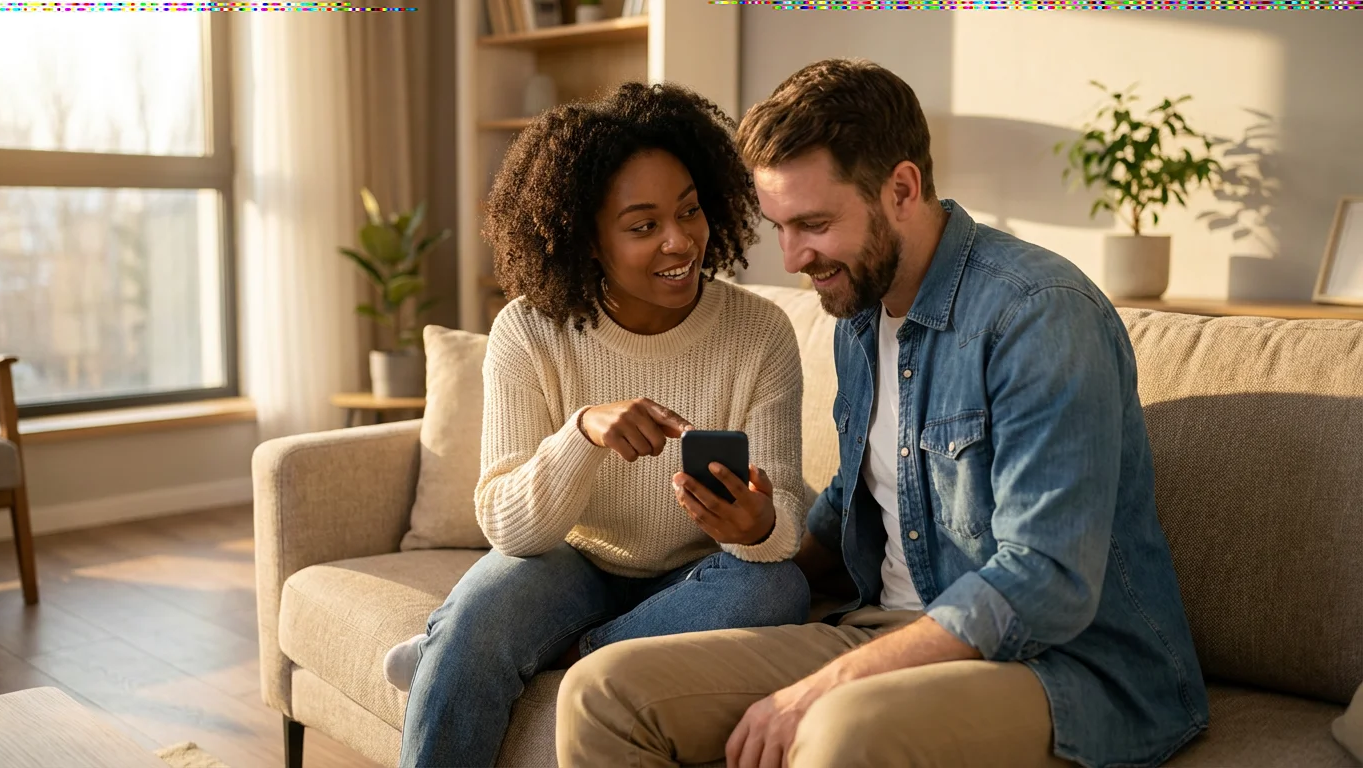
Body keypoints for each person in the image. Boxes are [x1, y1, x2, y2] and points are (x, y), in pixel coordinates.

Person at [556, 59, 1210, 768]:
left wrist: (829, 684)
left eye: (813, 224)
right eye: (779, 225)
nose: (793, 257)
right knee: (603, 691)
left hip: (1062, 669)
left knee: (840, 732)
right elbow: (862, 506)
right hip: (882, 631)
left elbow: (1047, 580)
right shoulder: (860, 318)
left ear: (902, 188)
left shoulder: (1039, 316)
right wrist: (762, 527)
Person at [389, 81, 813, 768]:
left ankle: (563, 652)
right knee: (480, 614)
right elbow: (506, 526)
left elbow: (787, 512)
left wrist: (759, 526)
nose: (680, 241)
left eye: (690, 210)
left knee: (777, 587)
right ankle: (464, 647)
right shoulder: (527, 331)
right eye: (644, 226)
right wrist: (580, 435)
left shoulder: (758, 333)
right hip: (569, 562)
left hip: (696, 577)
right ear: (588, 238)